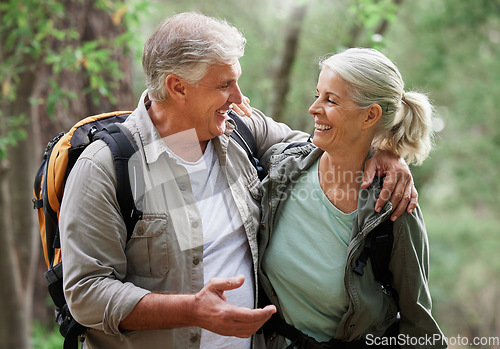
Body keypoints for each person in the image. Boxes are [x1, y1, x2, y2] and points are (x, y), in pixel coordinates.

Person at [59, 13, 417, 349]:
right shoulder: (106, 168)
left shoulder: (241, 131)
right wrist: (190, 310)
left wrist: (384, 150)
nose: (238, 97)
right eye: (224, 84)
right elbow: (86, 293)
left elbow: (326, 144)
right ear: (177, 87)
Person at [258, 48, 446, 348]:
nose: (314, 108)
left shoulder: (394, 208)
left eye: (330, 100)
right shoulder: (284, 165)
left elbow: (419, 325)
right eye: (317, 94)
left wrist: (390, 153)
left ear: (370, 115)